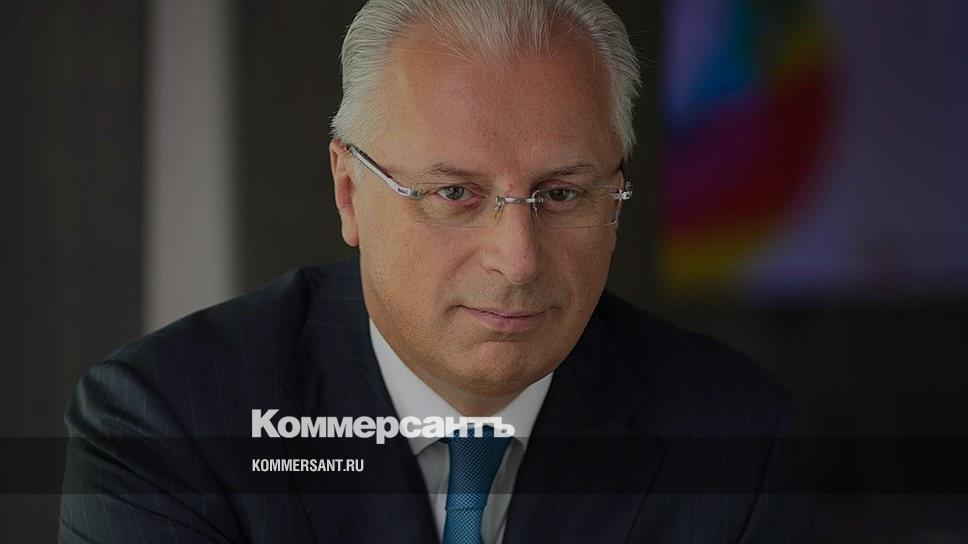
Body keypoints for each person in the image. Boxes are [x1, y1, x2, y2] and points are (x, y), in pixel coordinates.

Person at [59, 0, 813, 542]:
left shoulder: (735, 438)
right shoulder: (170, 423)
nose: (517, 260)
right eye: (455, 194)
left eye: (561, 194)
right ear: (349, 192)